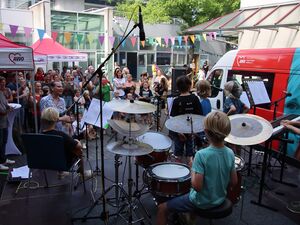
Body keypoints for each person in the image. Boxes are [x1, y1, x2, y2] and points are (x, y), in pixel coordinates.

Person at [156, 111, 238, 225]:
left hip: (201, 202)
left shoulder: (201, 155)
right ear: (227, 132)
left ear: (206, 132)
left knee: (162, 208)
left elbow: (197, 186)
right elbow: (234, 182)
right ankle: (189, 216)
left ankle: (187, 214)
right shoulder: (230, 153)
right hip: (220, 198)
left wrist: (192, 169)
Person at [40, 107, 91, 179]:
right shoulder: (60, 135)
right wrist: (76, 141)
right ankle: (82, 174)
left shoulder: (40, 135)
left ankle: (61, 173)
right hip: (63, 163)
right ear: (56, 119)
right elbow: (79, 146)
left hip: (43, 163)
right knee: (78, 150)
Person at [170, 76, 203, 163]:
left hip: (179, 132)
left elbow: (173, 119)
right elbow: (200, 116)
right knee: (190, 155)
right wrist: (195, 131)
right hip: (192, 131)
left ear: (177, 87)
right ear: (190, 86)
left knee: (178, 155)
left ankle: (178, 173)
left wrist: (179, 132)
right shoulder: (195, 99)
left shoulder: (176, 100)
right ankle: (192, 174)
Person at [0, 76, 15, 171]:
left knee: (4, 142)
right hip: (0, 123)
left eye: (4, 83)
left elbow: (6, 104)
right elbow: (2, 111)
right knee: (0, 142)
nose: (3, 85)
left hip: (4, 122)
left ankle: (3, 159)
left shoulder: (2, 93)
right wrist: (8, 110)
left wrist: (7, 109)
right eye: (1, 83)